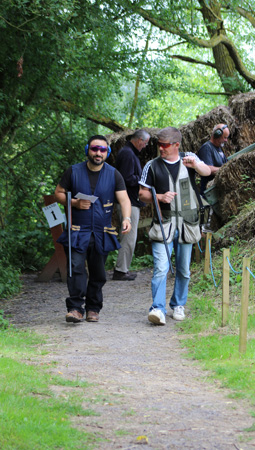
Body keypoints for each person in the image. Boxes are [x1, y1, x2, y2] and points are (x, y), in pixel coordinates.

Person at [54, 135, 132, 323]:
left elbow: (124, 200)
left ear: (107, 153)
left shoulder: (114, 174)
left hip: (101, 232)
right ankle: (75, 308)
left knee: (98, 272)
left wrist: (127, 218)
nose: (98, 153)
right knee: (76, 268)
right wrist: (74, 202)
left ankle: (93, 308)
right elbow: (58, 194)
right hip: (77, 231)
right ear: (87, 149)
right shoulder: (72, 172)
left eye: (102, 150)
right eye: (95, 149)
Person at [139, 127, 211, 326]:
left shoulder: (189, 158)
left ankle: (179, 305)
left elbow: (207, 172)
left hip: (188, 223)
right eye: (159, 145)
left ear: (177, 145)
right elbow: (142, 194)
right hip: (164, 223)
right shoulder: (151, 166)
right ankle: (158, 308)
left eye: (165, 145)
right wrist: (159, 197)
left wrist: (196, 164)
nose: (161, 148)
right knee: (161, 268)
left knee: (184, 270)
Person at [113, 129, 150, 281]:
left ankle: (123, 268)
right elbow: (126, 178)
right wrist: (143, 180)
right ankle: (121, 270)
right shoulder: (128, 153)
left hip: (130, 200)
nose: (145, 146)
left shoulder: (129, 152)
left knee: (129, 236)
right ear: (139, 140)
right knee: (128, 236)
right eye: (145, 143)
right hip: (128, 201)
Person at [197, 124, 229, 196]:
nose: (226, 140)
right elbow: (208, 169)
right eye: (224, 137)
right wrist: (225, 170)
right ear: (217, 135)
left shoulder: (218, 148)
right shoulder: (206, 148)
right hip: (209, 193)